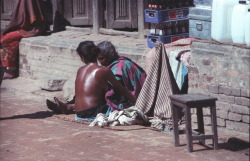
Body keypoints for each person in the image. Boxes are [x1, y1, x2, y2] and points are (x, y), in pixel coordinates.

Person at [46, 41, 147, 115]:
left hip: (129, 95)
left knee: (102, 88)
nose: (101, 62)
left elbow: (120, 89)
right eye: (99, 59)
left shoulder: (119, 66)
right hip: (94, 108)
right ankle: (70, 105)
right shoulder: (104, 69)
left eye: (102, 58)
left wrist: (138, 103)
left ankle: (71, 106)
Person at [0, 0, 47, 79]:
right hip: (28, 27)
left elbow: (21, 19)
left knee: (5, 39)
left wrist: (9, 28)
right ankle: (7, 67)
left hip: (30, 28)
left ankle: (10, 69)